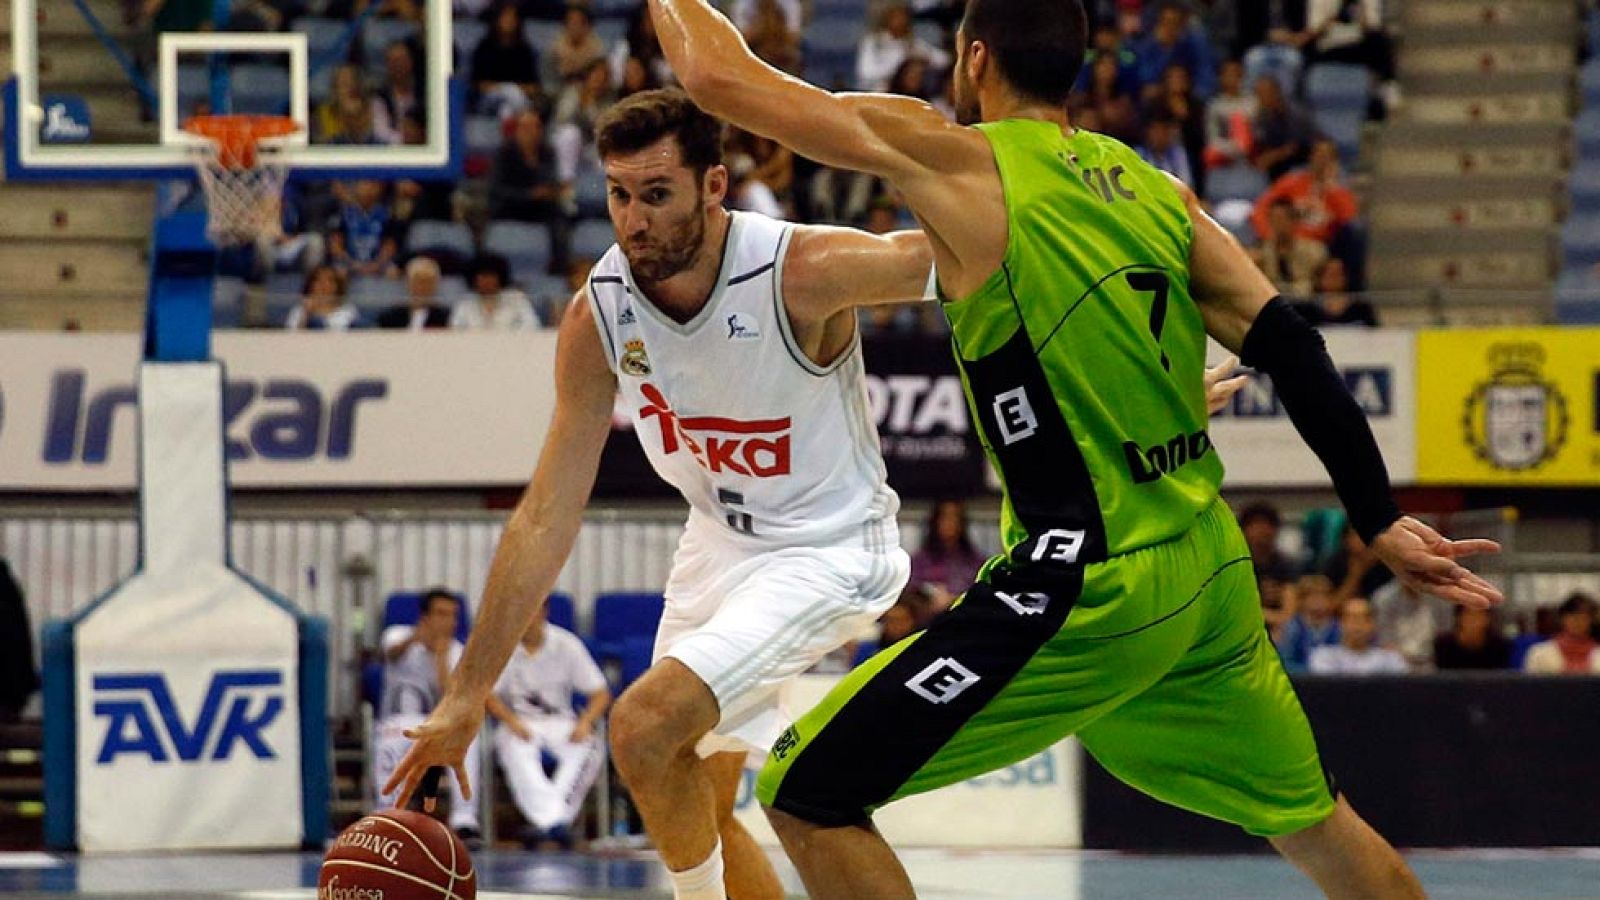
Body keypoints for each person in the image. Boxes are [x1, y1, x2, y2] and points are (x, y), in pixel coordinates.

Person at [639, 1, 1504, 897]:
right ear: (1077, 68)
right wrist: (1377, 514)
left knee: (806, 787)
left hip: (1087, 582)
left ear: (974, 60)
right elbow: (1289, 343)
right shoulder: (1154, 189)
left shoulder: (959, 159)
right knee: (1320, 826)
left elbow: (716, 80)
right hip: (1208, 572)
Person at [378, 87, 1261, 900]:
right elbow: (544, 516)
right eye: (617, 195)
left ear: (714, 184)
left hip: (829, 549)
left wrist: (1146, 369)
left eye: (657, 194)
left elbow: (1003, 252)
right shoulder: (598, 316)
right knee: (696, 798)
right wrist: (465, 695)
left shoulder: (802, 270)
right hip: (715, 546)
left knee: (642, 728)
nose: (633, 221)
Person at [485, 603, 611, 848]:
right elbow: (488, 695)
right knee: (516, 750)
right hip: (519, 722)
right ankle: (556, 823)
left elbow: (600, 692)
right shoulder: (502, 647)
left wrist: (585, 722)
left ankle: (545, 823)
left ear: (543, 612)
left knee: (590, 747)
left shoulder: (566, 643)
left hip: (561, 721)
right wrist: (511, 721)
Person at [373, 589, 482, 845]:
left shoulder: (457, 651)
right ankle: (387, 814)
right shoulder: (397, 635)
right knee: (390, 741)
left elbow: (451, 696)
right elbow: (390, 654)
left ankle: (465, 821)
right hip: (400, 719)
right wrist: (416, 639)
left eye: (453, 615)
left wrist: (441, 657)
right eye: (442, 614)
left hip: (440, 723)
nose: (449, 621)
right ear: (425, 616)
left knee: (470, 741)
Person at [908, 498, 985, 615]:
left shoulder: (975, 561)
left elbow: (983, 592)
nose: (950, 523)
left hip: (965, 617)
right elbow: (911, 592)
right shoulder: (919, 561)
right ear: (935, 522)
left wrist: (955, 599)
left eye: (955, 518)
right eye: (944, 518)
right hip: (928, 619)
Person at [1307, 597, 1408, 675]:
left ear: (1373, 624)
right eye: (1351, 618)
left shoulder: (1390, 659)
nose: (1357, 624)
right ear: (1341, 623)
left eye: (1364, 618)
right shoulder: (1323, 656)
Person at [1255, 199, 1327, 298]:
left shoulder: (1314, 251)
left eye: (1280, 219)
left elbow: (1321, 283)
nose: (1277, 225)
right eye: (1273, 220)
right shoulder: (1262, 253)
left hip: (1307, 303)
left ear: (1293, 221)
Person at [450, 254, 540, 330]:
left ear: (500, 277)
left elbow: (532, 325)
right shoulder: (465, 303)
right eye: (482, 276)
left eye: (491, 276)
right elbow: (455, 328)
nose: (487, 281)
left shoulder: (517, 299)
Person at [1276, 573, 1342, 672]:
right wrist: (1311, 672)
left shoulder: (1338, 627)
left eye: (1323, 596)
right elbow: (1286, 661)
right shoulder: (1292, 627)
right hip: (1303, 680)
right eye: (1313, 596)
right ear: (1301, 600)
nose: (1319, 601)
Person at [1523, 593, 1600, 674]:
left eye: (1583, 618)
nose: (1578, 622)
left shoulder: (1598, 653)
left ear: (1592, 621)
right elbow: (1530, 685)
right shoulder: (1539, 653)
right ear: (1562, 618)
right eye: (1573, 616)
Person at [378, 256, 452, 329]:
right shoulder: (390, 317)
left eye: (428, 282)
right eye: (419, 281)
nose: (423, 287)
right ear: (408, 283)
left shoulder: (445, 317)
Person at [285, 264, 365, 330]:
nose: (324, 285)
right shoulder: (299, 311)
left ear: (337, 286)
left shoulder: (348, 311)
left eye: (330, 281)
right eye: (319, 280)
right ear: (311, 285)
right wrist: (307, 314)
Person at [1433, 605, 1511, 671]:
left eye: (1479, 614)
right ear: (1459, 617)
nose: (1474, 620)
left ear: (1488, 619)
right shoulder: (1444, 646)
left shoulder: (1500, 646)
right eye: (1469, 614)